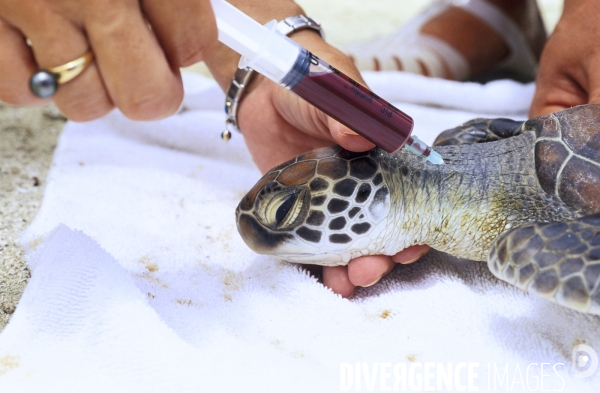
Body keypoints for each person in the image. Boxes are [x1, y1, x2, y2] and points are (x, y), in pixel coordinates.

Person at [0, 0, 598, 297]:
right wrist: (255, 69)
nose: (268, 232)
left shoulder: (523, 244)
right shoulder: (461, 153)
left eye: (287, 217)